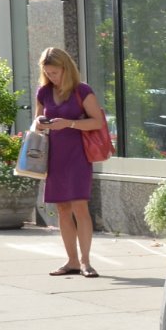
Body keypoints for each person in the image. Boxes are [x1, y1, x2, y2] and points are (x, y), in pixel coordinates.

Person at [33, 46, 108, 278]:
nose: (52, 77)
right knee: (62, 209)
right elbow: (36, 120)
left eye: (55, 72)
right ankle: (72, 261)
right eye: (48, 73)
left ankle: (86, 261)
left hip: (77, 156)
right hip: (54, 156)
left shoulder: (82, 91)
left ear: (66, 68)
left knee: (79, 206)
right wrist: (41, 122)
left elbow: (97, 122)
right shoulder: (44, 92)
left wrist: (69, 123)